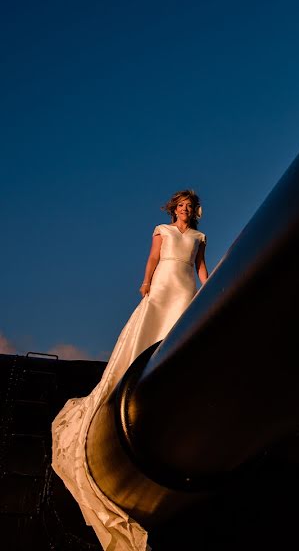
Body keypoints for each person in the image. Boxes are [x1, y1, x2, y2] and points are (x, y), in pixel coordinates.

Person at [51, 189, 209, 551]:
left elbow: (200, 266)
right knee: (153, 324)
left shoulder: (199, 237)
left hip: (185, 284)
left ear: (194, 212)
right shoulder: (162, 230)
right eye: (181, 206)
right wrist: (146, 281)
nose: (185, 211)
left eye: (189, 207)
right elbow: (153, 258)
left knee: (178, 327)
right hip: (165, 280)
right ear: (175, 209)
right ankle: (140, 368)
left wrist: (208, 283)